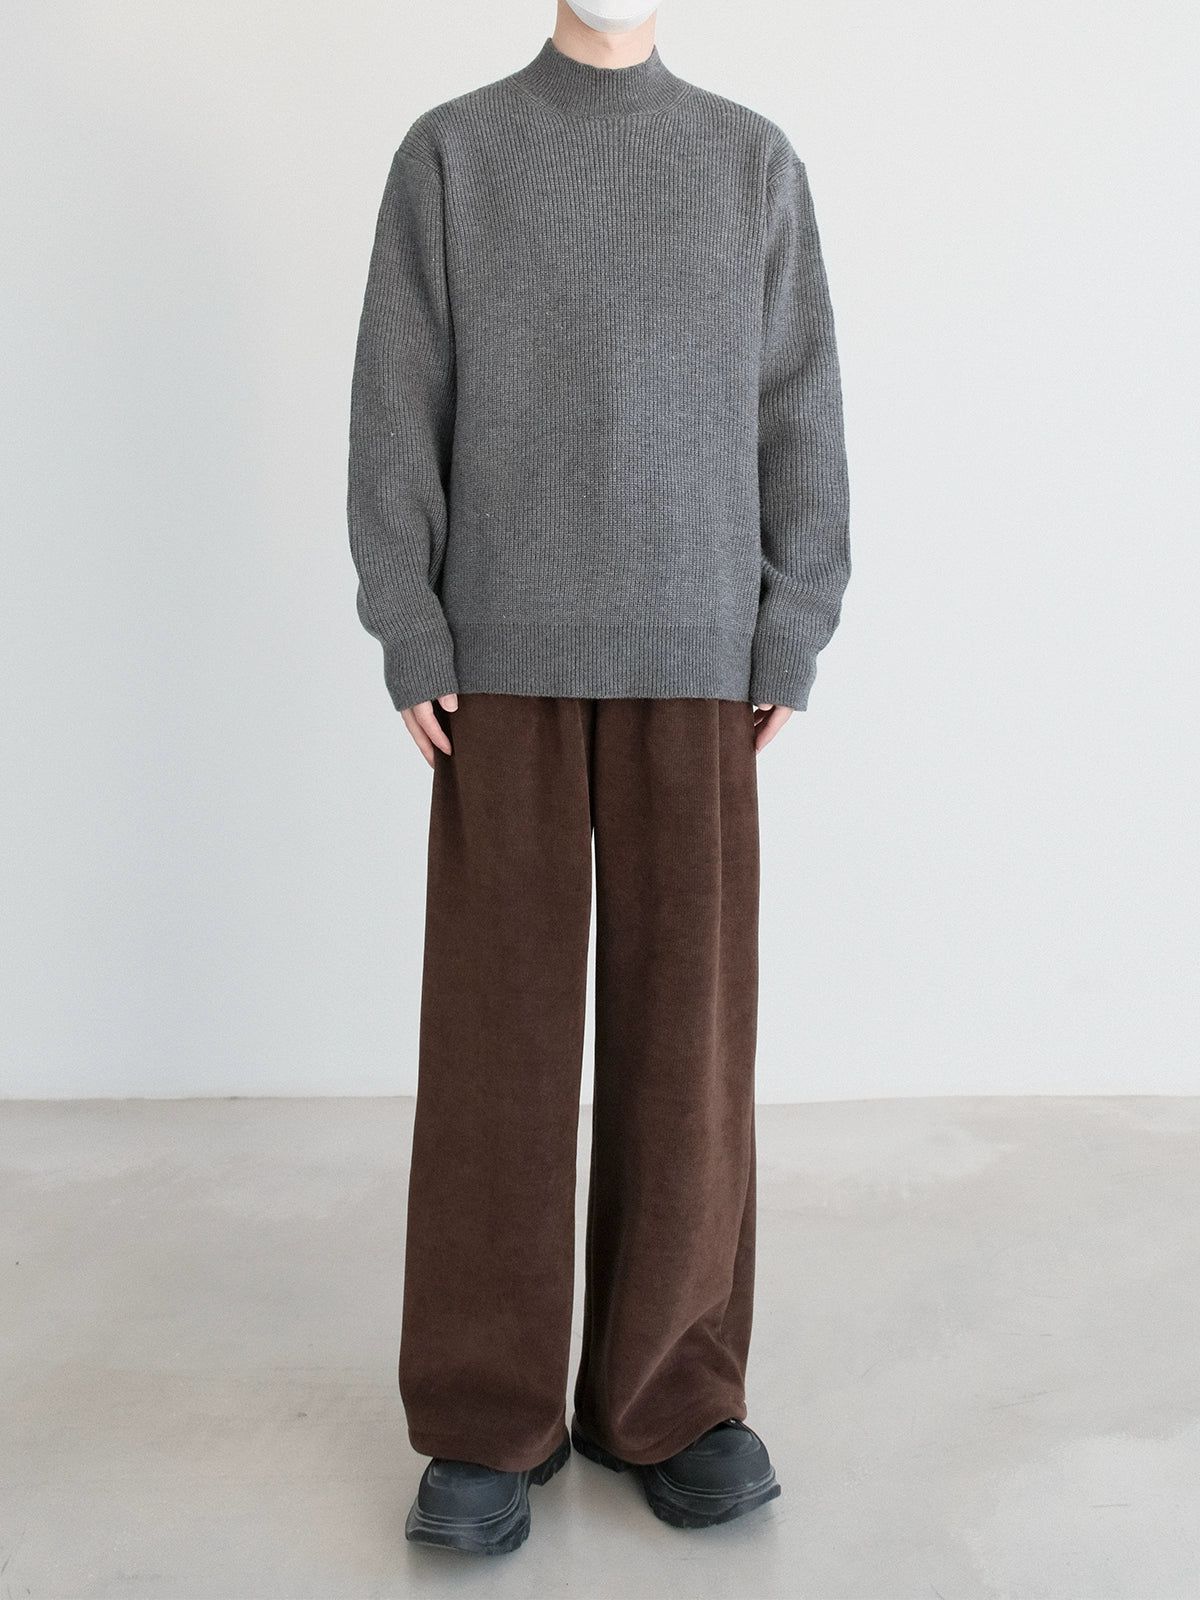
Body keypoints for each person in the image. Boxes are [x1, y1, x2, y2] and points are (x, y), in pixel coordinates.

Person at [347, 0, 850, 1556]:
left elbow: (799, 408)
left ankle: (671, 1399)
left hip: (697, 654)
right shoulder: (454, 154)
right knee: (492, 1049)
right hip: (498, 654)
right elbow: (397, 398)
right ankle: (486, 1415)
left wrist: (791, 624)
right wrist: (409, 620)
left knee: (687, 1049)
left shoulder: (750, 161)